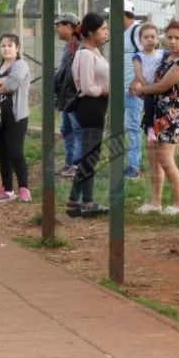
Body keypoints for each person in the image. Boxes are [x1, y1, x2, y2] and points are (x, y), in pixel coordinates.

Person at [132, 20, 179, 215]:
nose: (173, 41)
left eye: (177, 38)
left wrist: (141, 90)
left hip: (170, 117)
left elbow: (161, 86)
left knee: (166, 160)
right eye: (170, 37)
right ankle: (155, 202)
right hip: (155, 115)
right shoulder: (166, 59)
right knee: (154, 161)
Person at [67, 12, 111, 217]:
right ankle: (81, 201)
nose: (106, 32)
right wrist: (107, 90)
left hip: (97, 108)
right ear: (91, 32)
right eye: (103, 29)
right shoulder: (85, 54)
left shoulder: (94, 52)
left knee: (90, 156)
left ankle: (81, 201)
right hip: (90, 107)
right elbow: (87, 87)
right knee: (89, 157)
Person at [0, 33, 31, 203]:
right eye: (3, 45)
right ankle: (7, 189)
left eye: (10, 45)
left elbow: (11, 85)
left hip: (16, 116)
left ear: (17, 48)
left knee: (15, 152)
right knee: (2, 153)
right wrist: (1, 82)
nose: (6, 48)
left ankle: (24, 188)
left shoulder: (21, 65)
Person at [128, 22, 164, 185]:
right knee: (150, 116)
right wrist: (149, 88)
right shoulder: (138, 57)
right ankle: (151, 132)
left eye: (152, 37)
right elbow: (139, 75)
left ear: (157, 39)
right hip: (149, 93)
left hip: (163, 93)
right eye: (146, 37)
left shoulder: (163, 54)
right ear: (140, 40)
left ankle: (162, 137)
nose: (150, 40)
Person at [53, 12, 82, 178]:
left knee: (76, 128)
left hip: (74, 95)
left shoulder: (78, 44)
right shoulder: (69, 45)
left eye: (59, 25)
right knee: (67, 129)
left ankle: (77, 164)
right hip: (66, 94)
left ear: (69, 26)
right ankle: (69, 162)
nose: (57, 29)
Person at [123, 3, 143, 180]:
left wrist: (137, 81)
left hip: (133, 90)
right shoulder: (123, 33)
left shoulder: (136, 31)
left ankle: (133, 167)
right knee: (128, 127)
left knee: (131, 127)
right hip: (122, 89)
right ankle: (132, 163)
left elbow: (147, 55)